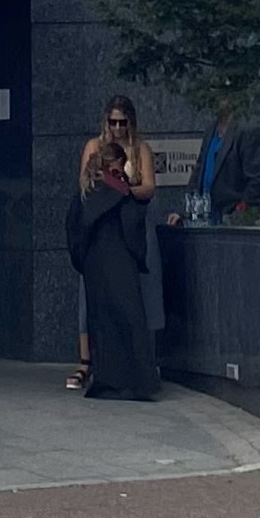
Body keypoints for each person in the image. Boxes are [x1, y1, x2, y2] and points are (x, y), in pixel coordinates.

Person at [69, 96, 161, 402]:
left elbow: (148, 187)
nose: (119, 128)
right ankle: (88, 362)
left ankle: (138, 367)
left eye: (124, 122)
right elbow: (86, 185)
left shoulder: (140, 149)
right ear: (106, 122)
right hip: (101, 233)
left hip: (128, 227)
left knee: (133, 300)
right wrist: (112, 189)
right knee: (93, 301)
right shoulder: (94, 148)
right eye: (114, 122)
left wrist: (124, 191)